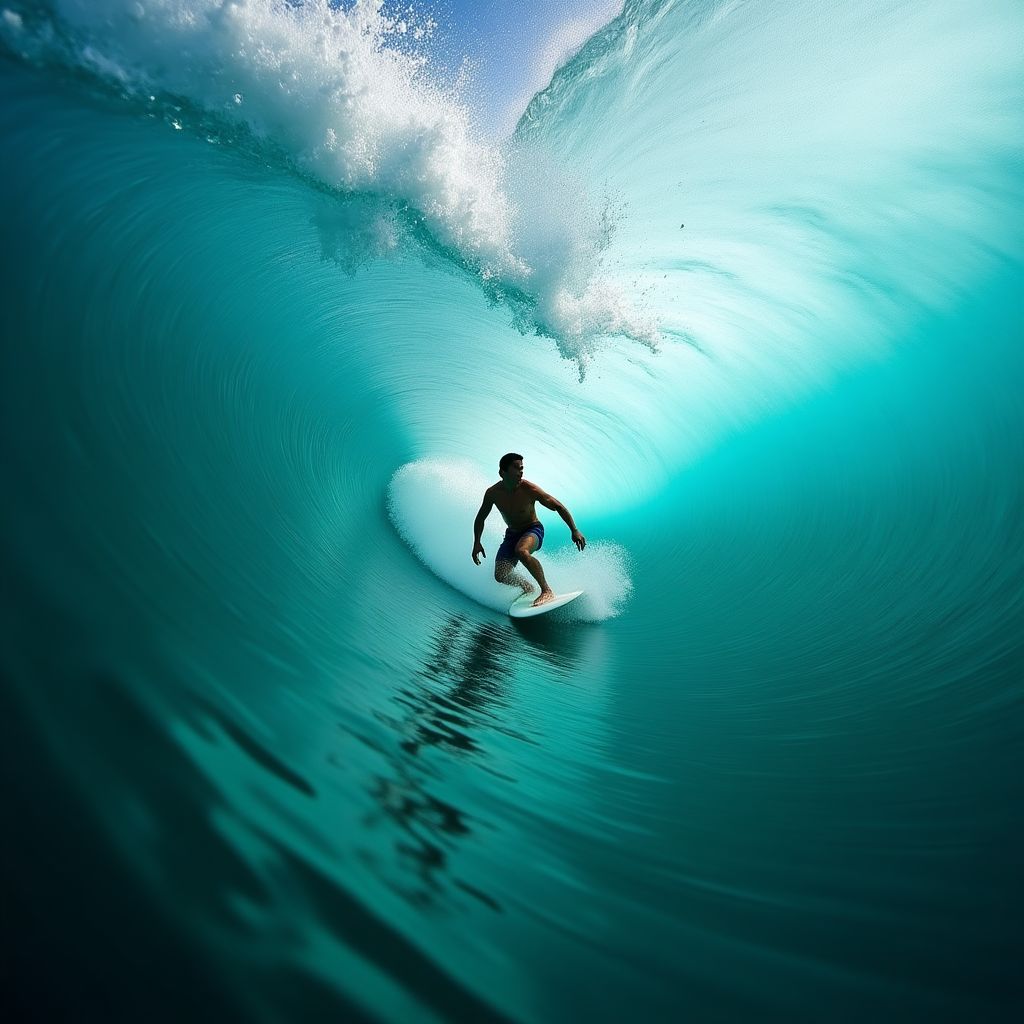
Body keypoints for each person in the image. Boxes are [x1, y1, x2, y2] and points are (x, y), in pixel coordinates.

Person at [472, 452, 586, 607]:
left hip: (533, 530)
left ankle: (546, 590)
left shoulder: (529, 489)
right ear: (502, 473)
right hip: (512, 534)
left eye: (522, 468)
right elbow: (480, 518)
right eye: (516, 468)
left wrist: (574, 530)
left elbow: (557, 506)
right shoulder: (493, 493)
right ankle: (527, 587)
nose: (521, 472)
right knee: (500, 575)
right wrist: (477, 542)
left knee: (522, 551)